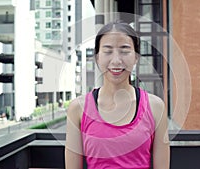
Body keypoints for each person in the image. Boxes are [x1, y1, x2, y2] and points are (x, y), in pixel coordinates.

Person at [65, 21, 170, 169]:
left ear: (136, 57)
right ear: (97, 58)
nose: (116, 61)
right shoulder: (78, 109)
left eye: (124, 50)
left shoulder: (155, 107)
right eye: (107, 51)